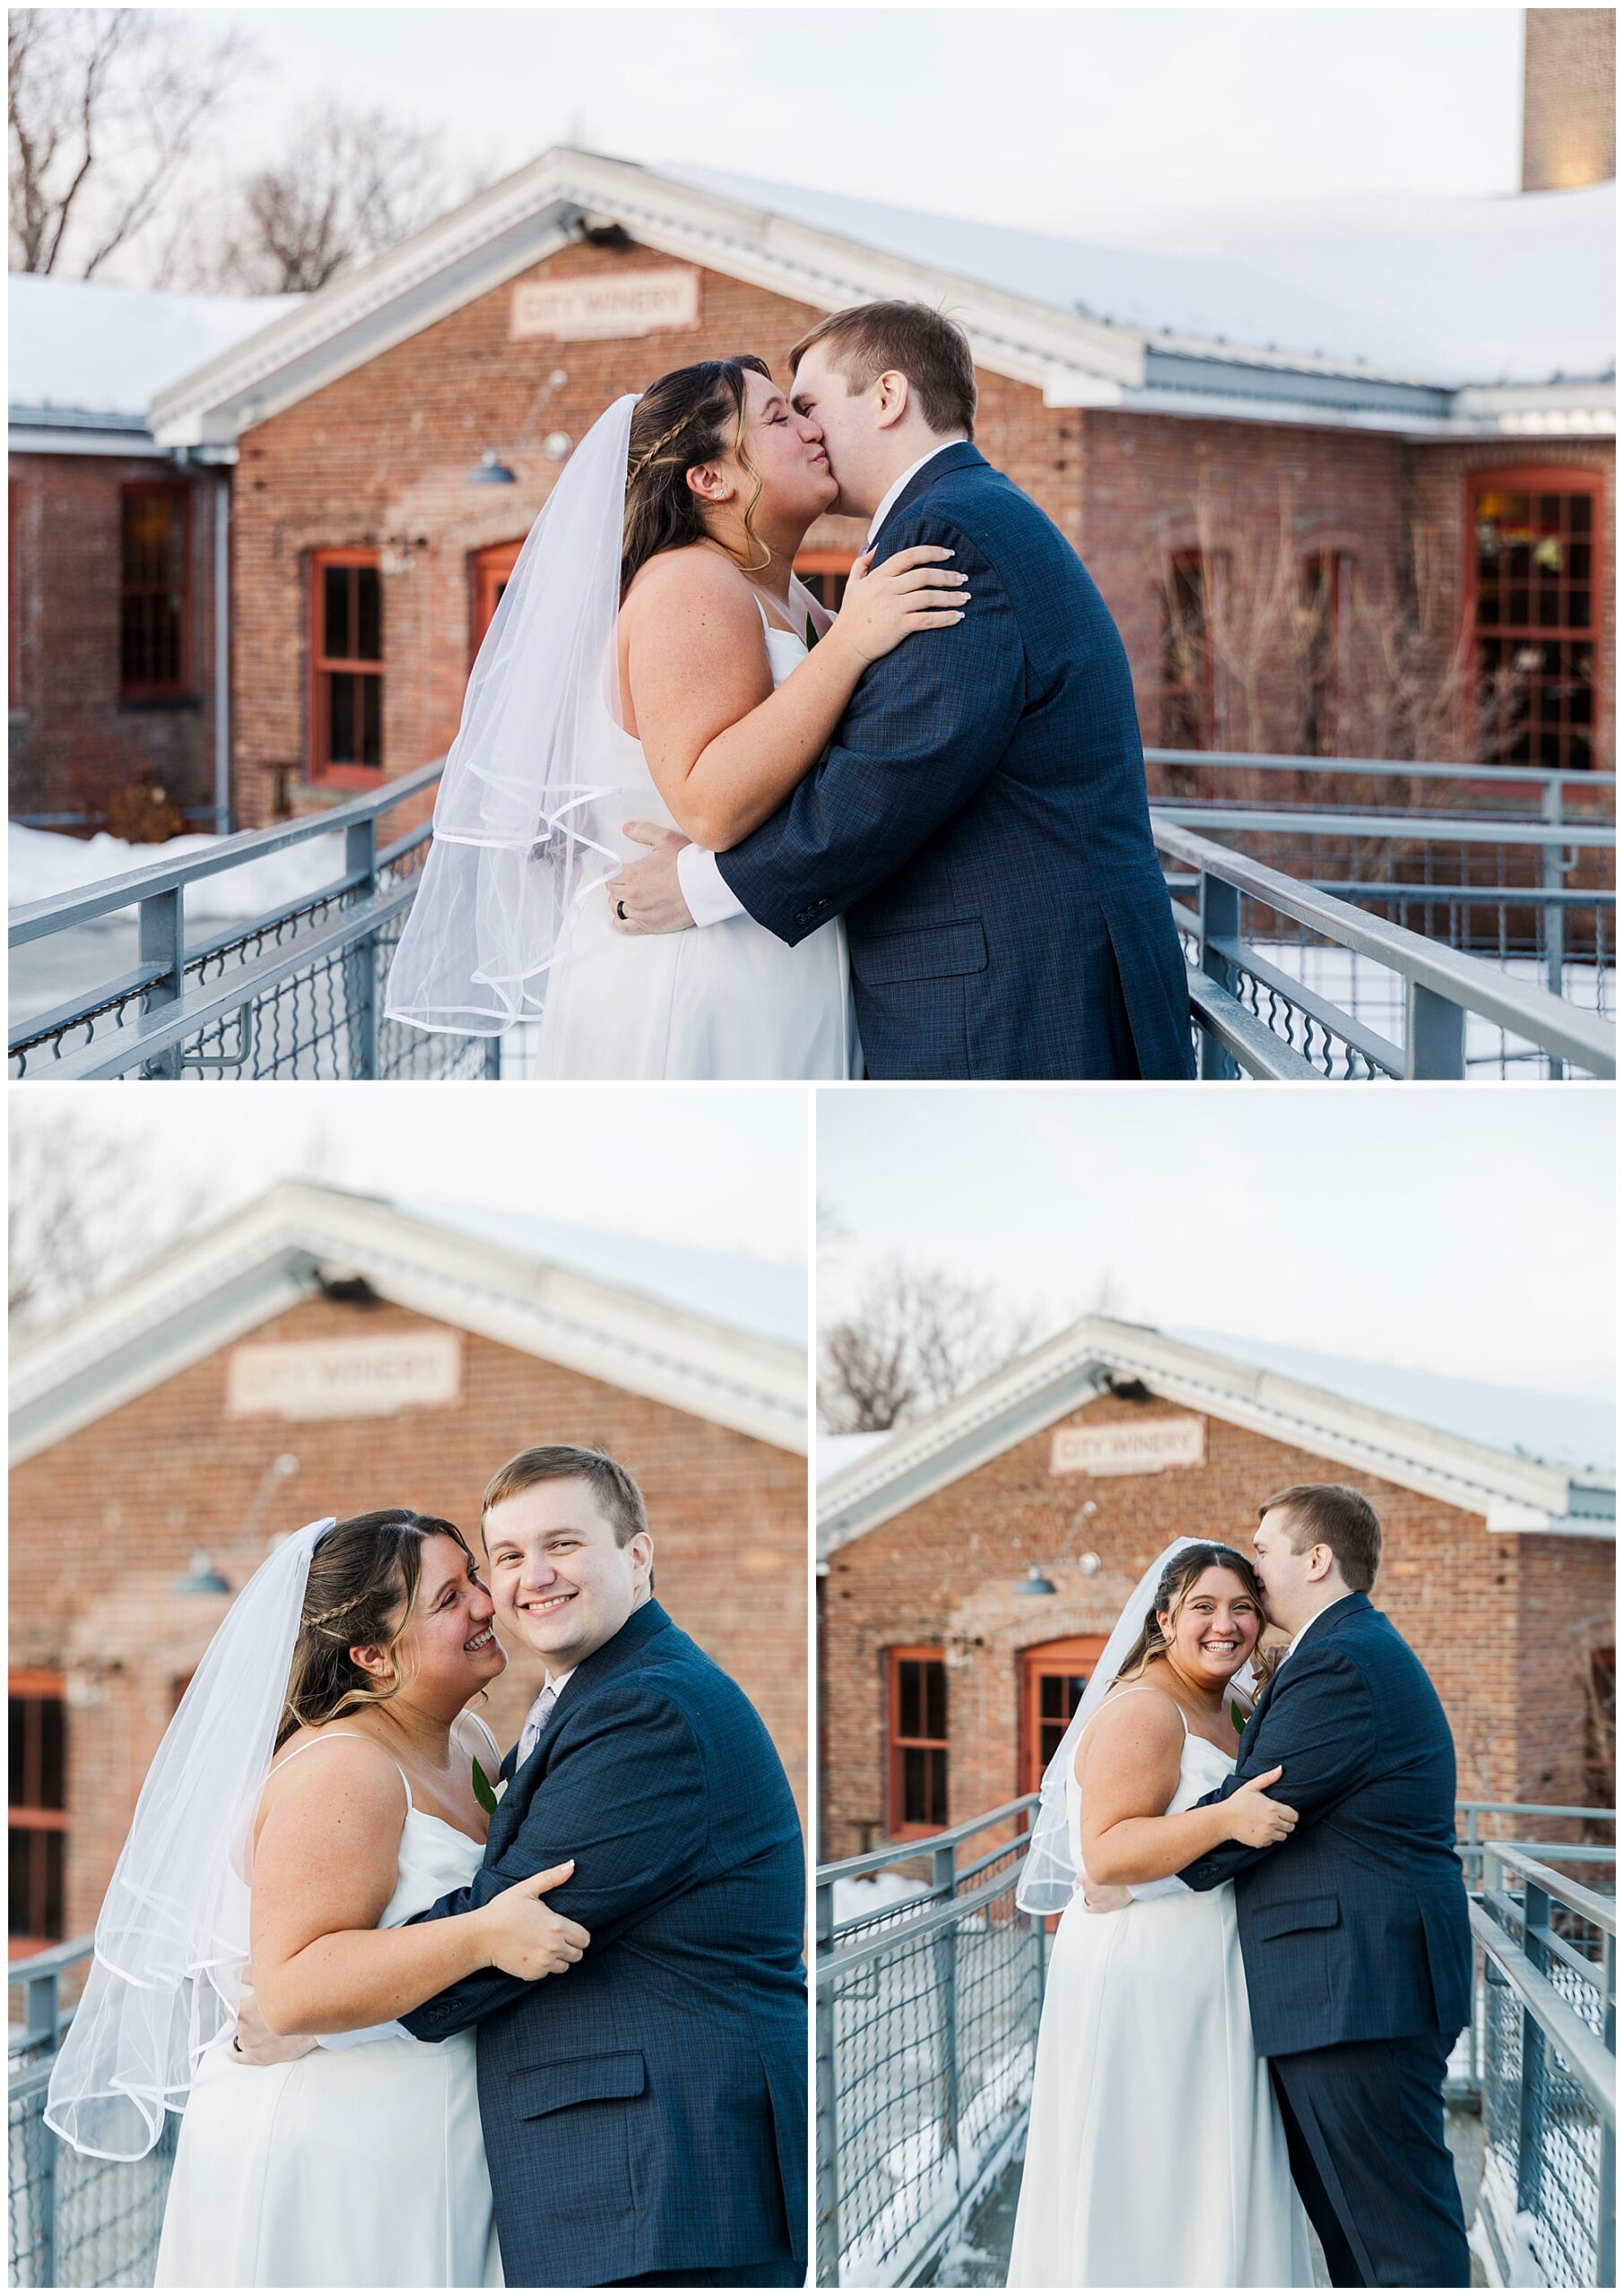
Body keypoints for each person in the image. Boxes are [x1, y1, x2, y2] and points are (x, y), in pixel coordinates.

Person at [608, 300, 1196, 1080]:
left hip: (1018, 997)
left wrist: (698, 885)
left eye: (807, 407)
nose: (808, 432)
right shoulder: (953, 519)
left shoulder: (948, 532)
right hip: (978, 985)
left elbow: (887, 776)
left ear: (886, 399)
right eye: (785, 419)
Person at [384, 354, 964, 1077]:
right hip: (689, 978)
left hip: (769, 962)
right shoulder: (691, 581)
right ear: (711, 478)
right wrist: (850, 644)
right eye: (778, 418)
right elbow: (711, 805)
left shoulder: (795, 600)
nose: (810, 430)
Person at [46, 1511, 586, 2287]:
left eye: (471, 1576)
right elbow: (294, 1986)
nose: (483, 1601)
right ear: (370, 1655)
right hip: (332, 2143)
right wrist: (480, 1937)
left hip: (430, 2123)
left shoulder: (464, 1738)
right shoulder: (345, 1768)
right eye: (447, 1599)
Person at [395, 1446, 808, 2288]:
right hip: (640, 2179)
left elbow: (504, 1929)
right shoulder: (600, 1692)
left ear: (637, 1555)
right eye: (507, 1556)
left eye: (562, 1545)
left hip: (662, 2182)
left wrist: (313, 1995)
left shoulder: (645, 1710)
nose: (533, 1576)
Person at [1177, 1485, 1475, 2287]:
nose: (1251, 1563)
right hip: (1349, 1988)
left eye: (1262, 1548)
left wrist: (1139, 1840)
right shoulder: (1341, 1649)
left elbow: (1239, 1820)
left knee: (1395, 2245)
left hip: (1356, 1993)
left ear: (1315, 1559)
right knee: (1359, 2238)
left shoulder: (1339, 1662)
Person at [1007, 1540, 1313, 2286]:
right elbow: (1105, 1855)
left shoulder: (1232, 1703)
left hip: (1209, 1970)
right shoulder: (1144, 1709)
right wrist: (1223, 1823)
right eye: (1202, 1607)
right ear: (1163, 1616)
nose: (1226, 1624)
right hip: (1144, 1975)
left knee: (1207, 2163)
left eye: (1242, 1607)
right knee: (1148, 2168)